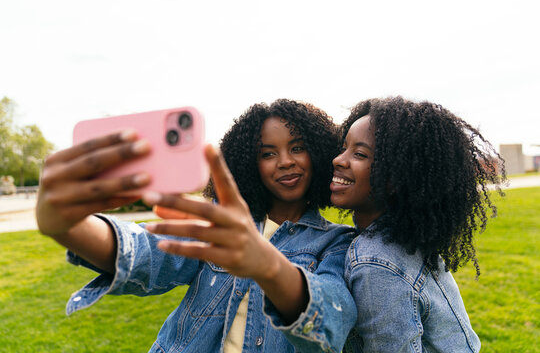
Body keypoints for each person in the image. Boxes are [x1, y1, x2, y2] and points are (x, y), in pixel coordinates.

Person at [36, 99, 356, 352]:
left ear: (317, 151)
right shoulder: (218, 222)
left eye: (297, 147)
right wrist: (68, 227)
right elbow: (146, 252)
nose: (285, 160)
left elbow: (332, 322)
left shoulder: (336, 242)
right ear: (248, 164)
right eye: (268, 153)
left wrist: (268, 265)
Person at [330, 97, 506, 353]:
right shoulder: (402, 238)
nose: (339, 160)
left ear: (395, 178)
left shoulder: (375, 259)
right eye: (343, 148)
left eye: (359, 154)